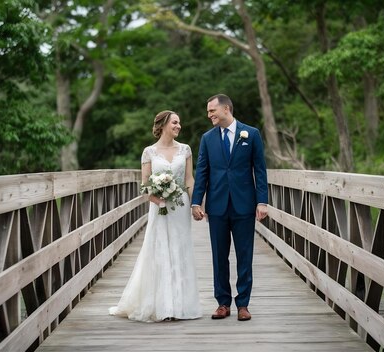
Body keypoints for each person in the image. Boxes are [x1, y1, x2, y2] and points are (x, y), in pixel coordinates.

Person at [109, 110, 202, 322]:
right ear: (163, 125)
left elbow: (189, 180)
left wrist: (196, 204)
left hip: (179, 207)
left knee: (180, 249)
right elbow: (145, 185)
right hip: (159, 207)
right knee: (159, 249)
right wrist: (158, 198)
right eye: (175, 122)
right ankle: (162, 306)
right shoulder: (149, 152)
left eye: (180, 122)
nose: (179, 126)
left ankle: (180, 305)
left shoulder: (185, 150)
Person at [191, 94, 268, 321]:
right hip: (216, 206)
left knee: (245, 256)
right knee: (219, 256)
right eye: (208, 111)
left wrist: (262, 201)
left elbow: (260, 170)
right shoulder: (207, 138)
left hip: (244, 205)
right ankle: (223, 303)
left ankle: (243, 304)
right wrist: (197, 202)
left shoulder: (251, 134)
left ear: (226, 109)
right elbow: (202, 171)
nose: (209, 115)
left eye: (212, 110)